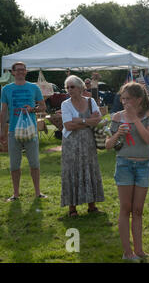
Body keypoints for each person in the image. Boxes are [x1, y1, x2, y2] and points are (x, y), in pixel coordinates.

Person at [105, 82, 149, 260]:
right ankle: (127, 252)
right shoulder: (117, 117)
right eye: (123, 98)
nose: (124, 102)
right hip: (124, 164)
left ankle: (139, 250)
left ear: (139, 99)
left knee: (138, 210)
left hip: (143, 165)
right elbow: (108, 145)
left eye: (128, 99)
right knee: (125, 208)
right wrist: (118, 133)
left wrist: (134, 119)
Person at [0, 62, 47, 202]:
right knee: (14, 164)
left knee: (34, 163)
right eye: (18, 70)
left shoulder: (34, 87)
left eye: (23, 70)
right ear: (13, 72)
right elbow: (3, 111)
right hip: (14, 131)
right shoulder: (6, 89)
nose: (21, 72)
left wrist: (32, 109)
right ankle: (15, 194)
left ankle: (38, 192)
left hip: (30, 131)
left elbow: (43, 106)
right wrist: (1, 130)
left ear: (26, 72)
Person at [60, 75, 104, 216]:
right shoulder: (65, 104)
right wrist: (87, 120)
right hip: (71, 143)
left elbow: (98, 120)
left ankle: (92, 205)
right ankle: (72, 208)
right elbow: (68, 125)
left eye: (72, 87)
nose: (69, 90)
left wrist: (79, 120)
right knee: (72, 171)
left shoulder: (91, 101)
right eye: (67, 87)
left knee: (89, 170)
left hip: (88, 142)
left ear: (80, 88)